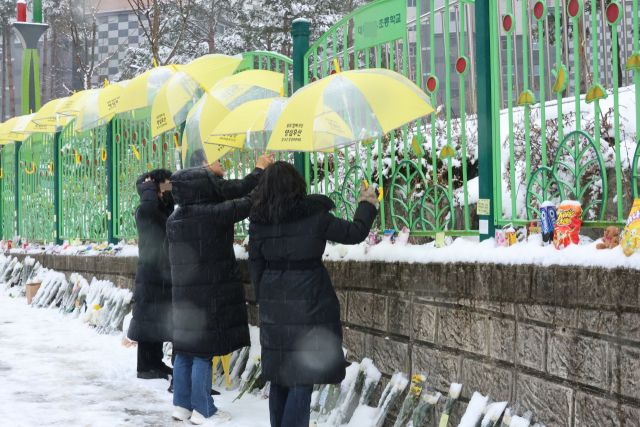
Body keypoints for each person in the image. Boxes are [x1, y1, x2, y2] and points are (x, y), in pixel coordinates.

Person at [247, 161, 379, 427]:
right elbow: (354, 233)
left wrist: (266, 298)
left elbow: (255, 263)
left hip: (274, 300)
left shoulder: (259, 221)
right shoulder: (314, 215)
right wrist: (367, 204)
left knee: (281, 376)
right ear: (296, 184)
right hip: (310, 299)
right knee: (302, 377)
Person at [166, 153, 274, 425]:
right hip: (208, 293)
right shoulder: (212, 214)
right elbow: (248, 203)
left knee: (185, 350)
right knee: (203, 351)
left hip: (183, 294)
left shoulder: (174, 219)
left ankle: (182, 406)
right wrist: (264, 177)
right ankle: (204, 409)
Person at [127, 169, 175, 381]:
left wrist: (164, 190)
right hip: (150, 272)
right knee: (148, 320)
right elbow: (148, 209)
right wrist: (148, 191)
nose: (168, 187)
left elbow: (171, 207)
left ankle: (155, 362)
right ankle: (144, 367)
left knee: (156, 320)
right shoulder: (145, 209)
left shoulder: (160, 207)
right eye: (164, 184)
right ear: (154, 187)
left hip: (161, 272)